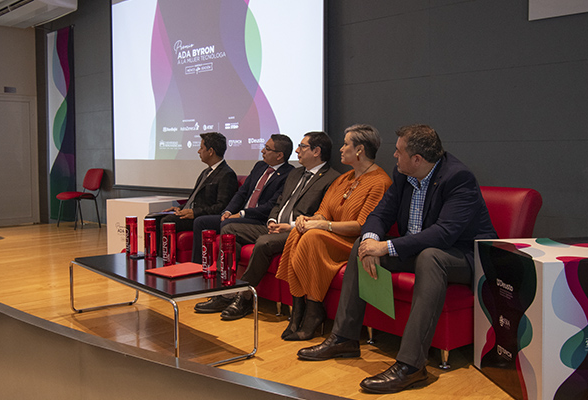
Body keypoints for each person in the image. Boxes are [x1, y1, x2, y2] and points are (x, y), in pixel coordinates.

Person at [296, 124, 497, 394]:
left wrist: (386, 247)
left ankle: (412, 367)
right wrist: (370, 241)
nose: (394, 155)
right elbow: (380, 214)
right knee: (360, 247)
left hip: (462, 256)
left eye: (399, 151)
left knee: (430, 258)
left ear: (417, 159)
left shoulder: (458, 178)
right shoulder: (403, 174)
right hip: (418, 249)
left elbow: (443, 234)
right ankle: (344, 338)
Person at [194, 131, 340, 319]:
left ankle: (245, 298)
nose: (297, 151)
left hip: (298, 232)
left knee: (264, 242)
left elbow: (322, 214)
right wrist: (272, 221)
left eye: (302, 147)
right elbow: (278, 203)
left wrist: (290, 226)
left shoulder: (332, 179)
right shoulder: (296, 173)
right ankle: (225, 292)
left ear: (316, 151)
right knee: (229, 229)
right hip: (274, 226)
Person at [276, 124, 392, 341]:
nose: (340, 148)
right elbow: (323, 213)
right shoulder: (343, 178)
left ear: (359, 150)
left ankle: (313, 310)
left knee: (313, 236)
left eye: (346, 144)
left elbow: (362, 226)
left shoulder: (380, 182)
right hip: (330, 237)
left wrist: (324, 226)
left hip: (353, 243)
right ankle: (298, 309)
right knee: (298, 233)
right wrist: (307, 220)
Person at [191, 133, 294, 292]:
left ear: (279, 155)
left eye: (267, 149)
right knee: (201, 222)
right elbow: (242, 192)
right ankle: (199, 270)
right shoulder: (260, 166)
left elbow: (271, 205)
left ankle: (223, 283)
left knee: (229, 226)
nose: (262, 151)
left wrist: (242, 214)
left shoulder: (289, 174)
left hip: (259, 219)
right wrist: (228, 210)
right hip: (238, 215)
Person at [153, 132, 238, 250]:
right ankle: (153, 256)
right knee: (153, 218)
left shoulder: (227, 174)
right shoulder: (206, 172)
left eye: (201, 148)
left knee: (167, 221)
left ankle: (165, 258)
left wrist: (194, 212)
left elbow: (222, 206)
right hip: (192, 213)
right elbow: (194, 200)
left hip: (201, 216)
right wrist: (180, 208)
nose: (198, 151)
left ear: (211, 151)